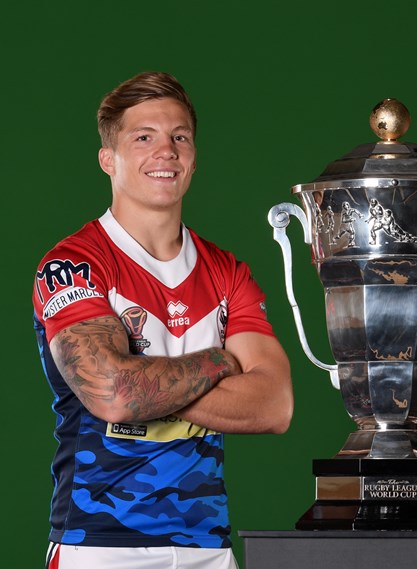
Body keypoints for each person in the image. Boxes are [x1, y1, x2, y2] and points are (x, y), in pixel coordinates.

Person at [32, 71, 294, 569]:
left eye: (180, 137)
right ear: (108, 159)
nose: (166, 151)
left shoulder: (227, 270)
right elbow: (114, 393)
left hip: (209, 546)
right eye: (144, 137)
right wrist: (222, 361)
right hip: (101, 544)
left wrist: (145, 379)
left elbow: (274, 405)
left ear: (193, 156)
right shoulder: (73, 265)